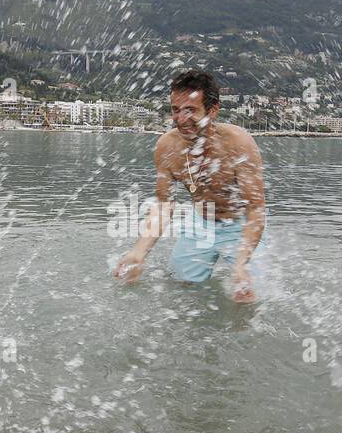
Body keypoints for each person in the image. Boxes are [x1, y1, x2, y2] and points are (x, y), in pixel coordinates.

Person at [114, 70, 266, 302]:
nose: (181, 119)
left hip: (241, 223)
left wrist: (241, 264)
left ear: (213, 110)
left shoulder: (238, 143)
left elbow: (256, 209)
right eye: (176, 110)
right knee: (181, 289)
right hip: (201, 222)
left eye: (191, 110)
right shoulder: (167, 147)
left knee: (248, 295)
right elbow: (164, 205)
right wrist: (139, 251)